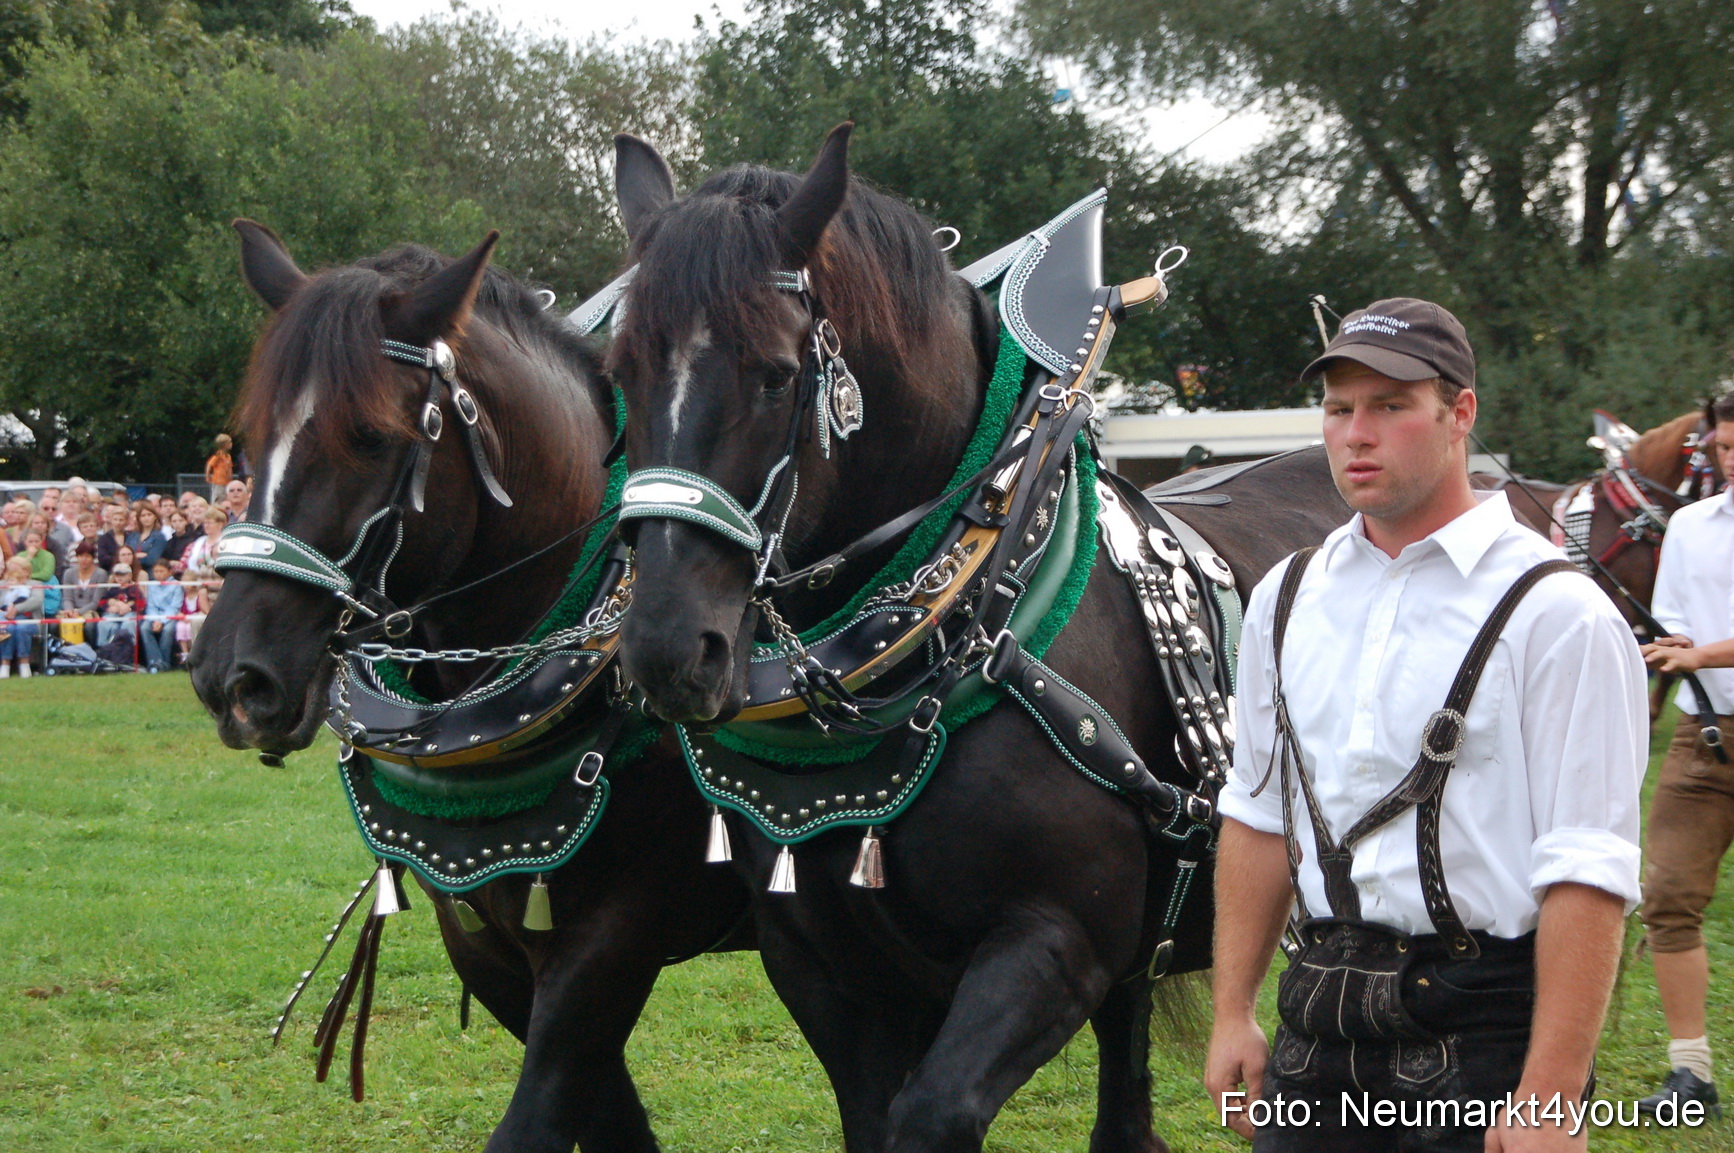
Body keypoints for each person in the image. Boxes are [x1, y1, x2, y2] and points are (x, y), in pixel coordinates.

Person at [1205, 298, 1646, 1152]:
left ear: (1460, 413)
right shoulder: (1286, 599)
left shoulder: (1559, 613)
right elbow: (1257, 814)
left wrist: (1551, 1096)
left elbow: (1587, 867)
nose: (1356, 433)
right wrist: (1232, 1012)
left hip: (1483, 1036)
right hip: (1316, 1024)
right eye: (1339, 408)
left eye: (1391, 404)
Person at [1632, 390, 1734, 1116]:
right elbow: (1675, 628)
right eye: (1724, 447)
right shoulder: (1691, 526)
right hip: (1704, 745)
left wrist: (1699, 652)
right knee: (1666, 901)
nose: (1731, 460)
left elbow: (1701, 646)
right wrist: (1663, 651)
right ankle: (1690, 1072)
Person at [0, 554, 43, 678]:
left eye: (15, 569)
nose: (11, 573)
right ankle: (5, 664)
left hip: (30, 620)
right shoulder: (3, 584)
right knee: (9, 629)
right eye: (10, 570)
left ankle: (24, 664)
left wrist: (17, 609)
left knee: (22, 628)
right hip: (5, 619)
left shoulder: (35, 583)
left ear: (26, 571)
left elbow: (36, 600)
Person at [60, 541, 108, 644]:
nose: (84, 559)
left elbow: (96, 602)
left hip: (90, 611)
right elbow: (67, 598)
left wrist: (79, 613)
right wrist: (69, 610)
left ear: (93, 558)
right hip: (72, 611)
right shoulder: (69, 573)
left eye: (88, 556)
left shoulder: (101, 574)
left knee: (89, 627)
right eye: (81, 556)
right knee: (54, 625)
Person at [140, 558, 182, 673]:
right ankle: (154, 661)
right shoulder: (152, 585)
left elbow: (174, 607)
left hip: (170, 616)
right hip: (154, 616)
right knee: (144, 628)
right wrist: (156, 620)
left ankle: (165, 663)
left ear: (169, 571)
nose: (158, 574)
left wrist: (162, 621)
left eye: (161, 571)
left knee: (168, 630)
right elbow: (151, 605)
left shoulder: (176, 585)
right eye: (156, 571)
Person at [96, 559, 143, 651]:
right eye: (117, 575)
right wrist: (109, 607)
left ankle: (128, 651)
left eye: (123, 575)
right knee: (103, 624)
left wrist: (130, 607)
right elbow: (102, 602)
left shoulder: (134, 588)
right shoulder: (113, 588)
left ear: (130, 575)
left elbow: (142, 603)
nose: (120, 578)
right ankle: (103, 650)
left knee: (128, 624)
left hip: (130, 614)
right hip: (113, 613)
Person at [160, 508, 196, 575]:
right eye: (174, 521)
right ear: (171, 523)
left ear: (186, 522)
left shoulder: (192, 540)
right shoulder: (169, 542)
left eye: (180, 521)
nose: (177, 524)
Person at [135, 502, 170, 569]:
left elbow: (152, 559)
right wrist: (138, 555)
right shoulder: (132, 536)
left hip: (151, 573)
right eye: (143, 515)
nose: (146, 518)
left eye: (149, 515)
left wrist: (133, 557)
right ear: (138, 518)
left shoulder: (159, 536)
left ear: (155, 517)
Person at [205, 433, 234, 501]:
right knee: (218, 498)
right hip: (218, 482)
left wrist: (231, 478)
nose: (231, 444)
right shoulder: (218, 456)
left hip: (227, 482)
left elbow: (229, 468)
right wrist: (208, 476)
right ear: (224, 444)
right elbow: (209, 465)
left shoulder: (228, 456)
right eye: (229, 442)